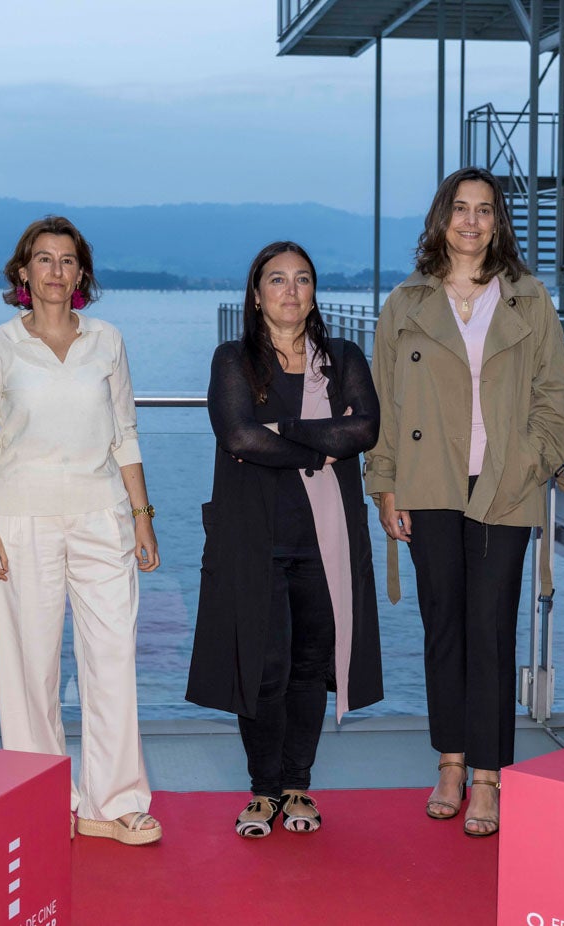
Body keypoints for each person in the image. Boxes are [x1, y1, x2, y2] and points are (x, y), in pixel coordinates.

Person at [365, 167, 564, 838]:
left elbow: (555, 393)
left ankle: (487, 775)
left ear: (498, 222)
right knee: (443, 628)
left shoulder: (527, 299)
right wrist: (383, 482)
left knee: (491, 630)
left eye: (485, 210)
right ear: (441, 217)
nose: (472, 220)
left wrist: (534, 458)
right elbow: (382, 405)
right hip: (428, 483)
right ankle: (449, 762)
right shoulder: (404, 302)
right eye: (461, 208)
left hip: (504, 483)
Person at [0, 216, 162, 846]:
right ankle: (42, 800)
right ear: (23, 272)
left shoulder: (108, 339)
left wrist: (142, 518)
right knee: (31, 667)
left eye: (67, 260)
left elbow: (125, 432)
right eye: (43, 259)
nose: (55, 271)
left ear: (82, 273)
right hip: (20, 519)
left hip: (103, 516)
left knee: (112, 658)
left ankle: (115, 801)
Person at [187, 241, 382, 839]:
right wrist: (323, 441)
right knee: (262, 669)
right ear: (256, 294)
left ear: (314, 292)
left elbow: (367, 429)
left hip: (325, 541)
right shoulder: (233, 359)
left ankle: (297, 785)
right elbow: (241, 437)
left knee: (309, 668)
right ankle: (262, 791)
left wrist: (287, 431)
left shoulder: (343, 356)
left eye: (302, 279)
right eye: (277, 280)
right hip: (254, 538)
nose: (291, 290)